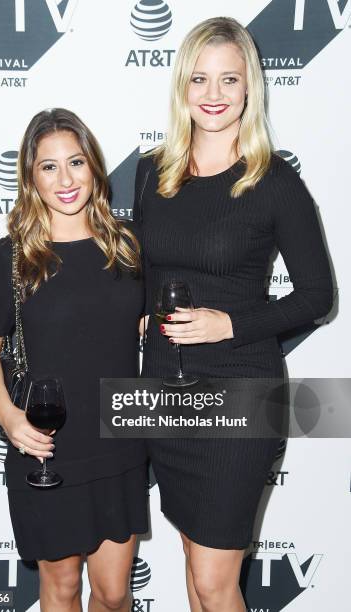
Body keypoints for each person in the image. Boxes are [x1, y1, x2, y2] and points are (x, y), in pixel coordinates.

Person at [133, 17, 333, 612]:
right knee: (196, 574)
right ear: (182, 87)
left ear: (250, 88)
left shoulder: (273, 181)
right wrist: (142, 317)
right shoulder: (154, 171)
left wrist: (230, 323)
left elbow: (317, 296)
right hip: (165, 388)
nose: (213, 95)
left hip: (242, 391)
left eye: (229, 79)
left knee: (218, 584)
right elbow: (147, 270)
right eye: (200, 79)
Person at [0, 108, 148, 612]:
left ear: (93, 166)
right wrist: (9, 417)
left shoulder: (127, 247)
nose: (66, 180)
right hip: (48, 448)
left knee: (114, 596)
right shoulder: (14, 257)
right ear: (30, 177)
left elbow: (137, 324)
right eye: (49, 167)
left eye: (75, 162)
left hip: (119, 440)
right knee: (63, 588)